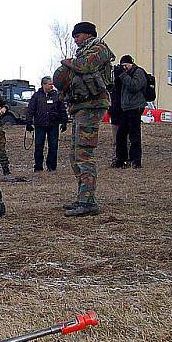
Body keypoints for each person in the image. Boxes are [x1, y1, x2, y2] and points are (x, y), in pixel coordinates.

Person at [53, 21, 115, 217]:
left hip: (92, 106)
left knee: (83, 154)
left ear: (87, 35)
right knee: (74, 153)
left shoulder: (99, 49)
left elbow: (85, 66)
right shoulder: (85, 51)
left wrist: (67, 63)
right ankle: (83, 196)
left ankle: (88, 201)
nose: (75, 39)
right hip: (80, 107)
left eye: (77, 35)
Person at [25, 76, 68, 171]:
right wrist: (28, 123)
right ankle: (38, 167)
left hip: (53, 125)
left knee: (53, 146)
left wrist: (64, 121)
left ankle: (52, 167)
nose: (52, 86)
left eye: (52, 84)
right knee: (39, 146)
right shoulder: (36, 96)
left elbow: (62, 109)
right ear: (44, 85)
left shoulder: (56, 96)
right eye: (50, 84)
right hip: (40, 125)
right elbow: (30, 110)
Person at [115, 55, 147, 169]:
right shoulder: (126, 74)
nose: (124, 68)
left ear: (130, 63)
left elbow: (135, 86)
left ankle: (136, 160)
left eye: (125, 66)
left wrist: (122, 75)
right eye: (122, 66)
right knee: (121, 135)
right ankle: (121, 159)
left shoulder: (139, 72)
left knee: (134, 135)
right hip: (126, 108)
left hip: (136, 107)